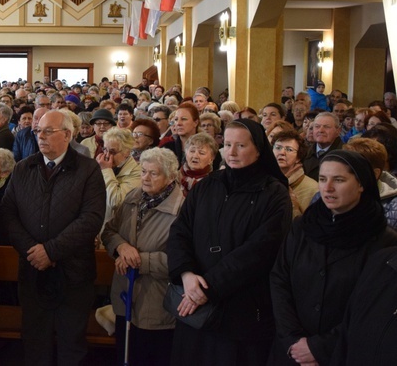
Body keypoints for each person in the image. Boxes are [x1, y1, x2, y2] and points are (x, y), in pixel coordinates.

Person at [167, 119, 292, 366]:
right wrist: (186, 274)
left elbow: (260, 250)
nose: (232, 152)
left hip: (241, 308)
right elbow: (180, 231)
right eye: (227, 144)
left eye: (241, 146)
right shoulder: (208, 185)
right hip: (195, 302)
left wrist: (206, 288)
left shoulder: (274, 193)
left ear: (258, 149)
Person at [268, 150, 397, 365]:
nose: (327, 188)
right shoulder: (304, 226)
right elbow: (280, 279)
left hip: (342, 353)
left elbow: (374, 310)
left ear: (361, 184)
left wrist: (319, 347)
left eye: (339, 180)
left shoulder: (384, 241)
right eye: (322, 179)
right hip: (290, 350)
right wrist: (292, 339)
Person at [0, 110, 106, 365]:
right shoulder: (25, 167)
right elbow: (8, 214)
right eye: (38, 131)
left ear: (68, 135)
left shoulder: (87, 169)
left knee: (72, 345)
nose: (40, 136)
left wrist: (51, 251)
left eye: (49, 131)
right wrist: (33, 251)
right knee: (35, 343)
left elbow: (91, 219)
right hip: (33, 272)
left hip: (73, 274)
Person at [101, 148, 185, 366]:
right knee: (125, 356)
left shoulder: (182, 210)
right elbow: (109, 231)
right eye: (143, 171)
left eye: (153, 173)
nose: (145, 178)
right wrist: (121, 247)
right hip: (125, 297)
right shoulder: (133, 197)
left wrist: (138, 260)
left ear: (170, 177)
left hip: (156, 303)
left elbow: (182, 260)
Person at [98, 128, 141, 226]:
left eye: (112, 152)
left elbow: (115, 202)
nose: (107, 156)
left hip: (118, 228)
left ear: (127, 152)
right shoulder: (102, 167)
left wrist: (106, 171)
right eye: (105, 149)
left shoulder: (137, 172)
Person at [272, 129, 318, 216]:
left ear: (298, 158)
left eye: (289, 149)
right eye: (278, 148)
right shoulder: (263, 181)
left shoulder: (312, 189)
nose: (282, 153)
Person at [179, 132, 218, 197]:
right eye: (192, 151)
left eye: (201, 153)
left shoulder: (214, 184)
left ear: (211, 159)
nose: (195, 156)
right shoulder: (174, 178)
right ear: (186, 154)